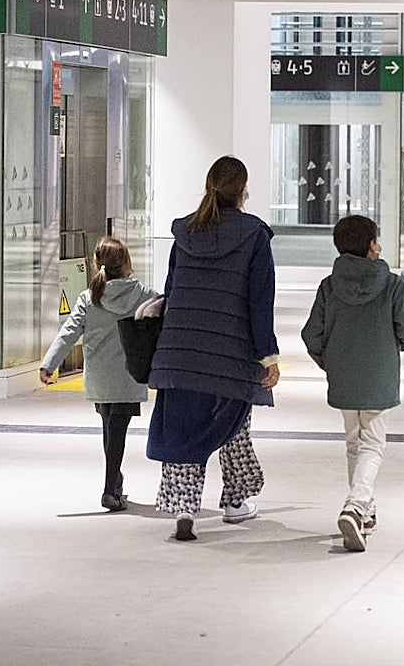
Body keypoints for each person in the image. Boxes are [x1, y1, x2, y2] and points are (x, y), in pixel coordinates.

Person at [146, 156, 280, 542]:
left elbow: (171, 291)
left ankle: (185, 508)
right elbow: (259, 300)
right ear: (243, 190)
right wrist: (267, 355)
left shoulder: (186, 232)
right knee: (233, 425)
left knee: (182, 429)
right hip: (229, 353)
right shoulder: (253, 235)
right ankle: (236, 503)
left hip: (180, 351)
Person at [301, 215, 404, 552]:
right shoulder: (393, 285)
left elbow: (311, 335)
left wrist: (333, 362)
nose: (379, 246)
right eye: (376, 240)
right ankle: (355, 504)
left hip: (343, 375)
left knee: (354, 442)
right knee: (373, 443)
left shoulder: (329, 286)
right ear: (370, 246)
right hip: (379, 375)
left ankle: (365, 511)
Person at [39, 237, 159, 512]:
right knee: (116, 431)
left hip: (101, 375)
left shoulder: (89, 298)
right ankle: (110, 489)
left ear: (96, 264)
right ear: (127, 263)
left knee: (109, 429)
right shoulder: (142, 294)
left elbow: (69, 332)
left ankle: (114, 482)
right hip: (129, 374)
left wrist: (49, 363)